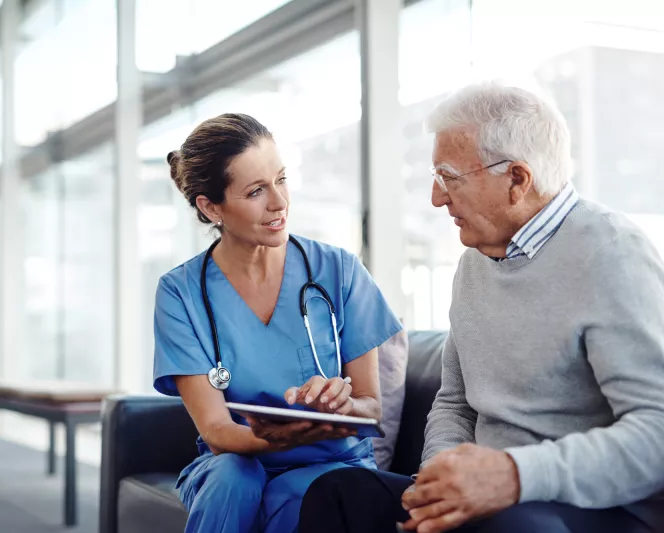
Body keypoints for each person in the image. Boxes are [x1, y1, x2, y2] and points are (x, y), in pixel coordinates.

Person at [298, 83, 664, 533]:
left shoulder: (613, 255)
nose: (436, 198)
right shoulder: (475, 262)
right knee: (340, 493)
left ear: (516, 179)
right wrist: (434, 484)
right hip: (491, 504)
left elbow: (657, 433)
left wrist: (513, 476)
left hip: (591, 509)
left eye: (449, 178)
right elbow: (456, 403)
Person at [153, 113, 403, 533]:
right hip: (237, 457)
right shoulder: (180, 292)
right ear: (211, 207)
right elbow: (216, 431)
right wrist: (284, 436)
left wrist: (337, 410)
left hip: (331, 460)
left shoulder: (338, 270)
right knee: (233, 479)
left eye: (281, 179)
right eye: (255, 191)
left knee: (304, 494)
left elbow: (370, 406)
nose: (279, 202)